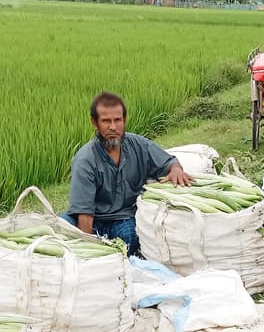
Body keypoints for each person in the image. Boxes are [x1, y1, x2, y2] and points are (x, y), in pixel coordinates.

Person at [63, 91, 192, 257]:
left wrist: (176, 170)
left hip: (122, 218)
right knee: (61, 227)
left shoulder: (138, 145)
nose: (113, 127)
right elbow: (84, 213)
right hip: (91, 219)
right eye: (106, 121)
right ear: (94, 123)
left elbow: (168, 162)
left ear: (125, 120)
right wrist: (87, 251)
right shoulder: (85, 160)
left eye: (117, 120)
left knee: (130, 237)